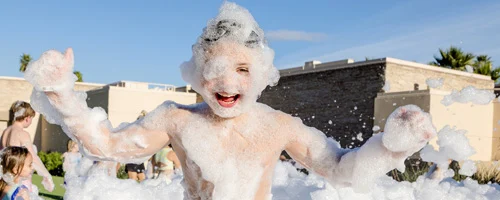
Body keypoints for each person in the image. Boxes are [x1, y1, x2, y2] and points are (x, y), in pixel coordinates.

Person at [24, 2, 437, 199]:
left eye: (242, 70)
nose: (227, 83)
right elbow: (108, 147)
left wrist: (391, 146)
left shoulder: (277, 125)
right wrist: (62, 93)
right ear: (199, 72)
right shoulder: (177, 120)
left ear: (259, 74)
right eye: (217, 68)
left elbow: (342, 171)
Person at [0, 101, 54, 193]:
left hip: (7, 179)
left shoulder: (6, 132)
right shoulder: (23, 134)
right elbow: (33, 158)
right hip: (20, 178)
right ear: (27, 118)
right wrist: (47, 174)